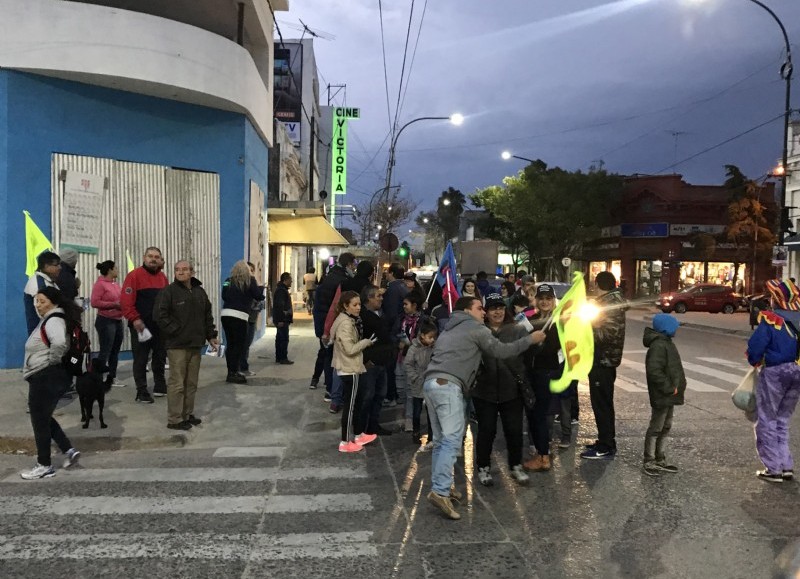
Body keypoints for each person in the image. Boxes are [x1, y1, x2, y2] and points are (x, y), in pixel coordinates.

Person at [423, 296, 545, 520]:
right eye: (479, 308)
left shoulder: (449, 329)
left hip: (431, 384)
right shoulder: (476, 329)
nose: (483, 312)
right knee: (451, 439)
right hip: (449, 386)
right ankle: (440, 491)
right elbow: (500, 351)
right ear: (467, 311)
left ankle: (445, 485)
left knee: (441, 440)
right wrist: (531, 340)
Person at [19, 287, 81, 479]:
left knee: (39, 422)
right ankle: (68, 450)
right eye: (36, 301)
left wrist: (51, 363)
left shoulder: (54, 320)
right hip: (46, 375)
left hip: (45, 376)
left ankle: (44, 465)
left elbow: (60, 343)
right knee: (43, 417)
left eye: (42, 301)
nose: (38, 305)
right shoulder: (49, 319)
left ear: (53, 302)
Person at [472, 294, 531, 486]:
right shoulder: (478, 331)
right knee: (486, 431)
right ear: (486, 312)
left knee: (514, 430)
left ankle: (516, 465)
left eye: (500, 307)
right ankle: (483, 467)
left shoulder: (518, 330)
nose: (497, 311)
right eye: (492, 308)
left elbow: (530, 355)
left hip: (511, 390)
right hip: (484, 392)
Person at [154, 260, 220, 430]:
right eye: (177, 270)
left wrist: (211, 336)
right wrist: (176, 330)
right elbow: (160, 316)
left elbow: (207, 316)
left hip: (195, 345)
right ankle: (175, 419)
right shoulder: (168, 292)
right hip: (177, 345)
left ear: (192, 272)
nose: (180, 272)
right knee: (177, 383)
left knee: (191, 383)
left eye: (184, 269)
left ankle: (187, 414)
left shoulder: (199, 292)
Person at [746, 279, 800, 483]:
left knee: (767, 419)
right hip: (797, 372)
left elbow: (756, 346)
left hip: (775, 372)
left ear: (777, 298)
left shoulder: (772, 319)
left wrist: (754, 360)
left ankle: (773, 468)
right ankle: (786, 465)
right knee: (782, 419)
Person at [581, 271, 627, 460]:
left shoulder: (609, 304)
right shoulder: (608, 302)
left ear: (598, 284)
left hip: (603, 360)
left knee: (602, 404)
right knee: (601, 403)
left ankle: (606, 445)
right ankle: (604, 441)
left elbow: (607, 335)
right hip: (601, 359)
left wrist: (585, 330)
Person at [329, 290, 378, 453]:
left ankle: (357, 435)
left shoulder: (346, 320)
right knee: (350, 406)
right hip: (349, 367)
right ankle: (345, 441)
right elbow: (350, 349)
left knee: (355, 403)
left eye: (359, 304)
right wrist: (366, 342)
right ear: (345, 306)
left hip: (350, 366)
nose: (358, 308)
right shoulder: (345, 323)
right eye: (354, 305)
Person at [121, 247, 170, 404]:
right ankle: (141, 391)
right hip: (140, 325)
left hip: (160, 326)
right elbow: (126, 301)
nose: (153, 259)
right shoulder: (134, 276)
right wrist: (135, 319)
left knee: (160, 356)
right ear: (144, 257)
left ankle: (159, 385)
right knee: (141, 358)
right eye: (150, 256)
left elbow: (168, 302)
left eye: (156, 256)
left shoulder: (163, 278)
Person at [523, 283, 561, 472]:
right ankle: (541, 452)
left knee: (541, 415)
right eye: (542, 299)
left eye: (548, 299)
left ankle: (544, 456)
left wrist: (541, 345)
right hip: (532, 373)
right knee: (533, 414)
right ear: (537, 301)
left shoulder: (559, 322)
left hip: (547, 373)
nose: (545, 302)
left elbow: (556, 348)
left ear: (554, 301)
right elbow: (524, 345)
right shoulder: (532, 320)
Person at [642, 313, 686, 476]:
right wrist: (669, 388)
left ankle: (660, 458)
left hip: (669, 395)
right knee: (656, 427)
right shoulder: (659, 345)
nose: (676, 330)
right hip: (662, 394)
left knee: (665, 426)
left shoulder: (666, 343)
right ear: (666, 328)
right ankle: (650, 460)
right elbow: (654, 371)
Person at [311, 253, 356, 394]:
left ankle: (318, 380)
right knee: (332, 356)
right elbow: (336, 305)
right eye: (353, 264)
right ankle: (331, 389)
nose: (354, 267)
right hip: (331, 323)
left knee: (325, 352)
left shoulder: (329, 276)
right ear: (348, 264)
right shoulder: (343, 280)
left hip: (322, 321)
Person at [359, 285, 395, 436]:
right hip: (370, 362)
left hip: (382, 360)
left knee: (380, 395)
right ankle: (361, 428)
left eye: (381, 296)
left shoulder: (381, 313)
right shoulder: (362, 317)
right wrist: (367, 360)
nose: (381, 298)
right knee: (367, 396)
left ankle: (373, 425)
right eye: (377, 296)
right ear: (369, 298)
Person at [221, 260, 265, 383]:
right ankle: (234, 372)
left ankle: (230, 371)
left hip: (226, 315)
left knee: (230, 345)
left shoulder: (227, 281)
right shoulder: (250, 280)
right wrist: (259, 287)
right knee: (239, 345)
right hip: (240, 316)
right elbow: (258, 296)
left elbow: (224, 295)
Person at [392, 292, 427, 430]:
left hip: (416, 358)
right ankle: (405, 412)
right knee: (400, 387)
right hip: (400, 357)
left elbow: (428, 338)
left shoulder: (424, 321)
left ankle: (409, 419)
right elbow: (393, 333)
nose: (404, 307)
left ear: (414, 305)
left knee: (410, 388)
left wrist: (411, 343)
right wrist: (397, 342)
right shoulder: (400, 318)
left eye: (406, 304)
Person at [91, 260, 126, 388]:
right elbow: (94, 302)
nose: (117, 270)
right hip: (105, 321)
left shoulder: (115, 284)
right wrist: (114, 304)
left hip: (117, 320)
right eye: (115, 267)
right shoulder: (100, 285)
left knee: (115, 351)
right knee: (106, 350)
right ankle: (98, 377)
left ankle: (112, 376)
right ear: (110, 270)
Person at [404, 320, 438, 447]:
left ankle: (432, 435)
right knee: (416, 411)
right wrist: (415, 377)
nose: (432, 340)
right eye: (430, 337)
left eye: (434, 337)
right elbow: (408, 364)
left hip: (431, 382)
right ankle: (415, 433)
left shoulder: (434, 348)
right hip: (418, 383)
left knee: (431, 412)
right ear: (422, 335)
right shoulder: (414, 348)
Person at [383, 263, 409, 404]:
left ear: (392, 273)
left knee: (391, 365)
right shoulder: (404, 287)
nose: (386, 275)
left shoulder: (393, 289)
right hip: (402, 329)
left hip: (395, 330)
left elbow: (391, 313)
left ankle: (391, 394)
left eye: (387, 272)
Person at [24, 251, 61, 335]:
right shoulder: (39, 285)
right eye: (56, 265)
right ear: (46, 266)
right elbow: (43, 312)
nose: (60, 267)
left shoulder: (50, 282)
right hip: (43, 334)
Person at [240, 262, 264, 377]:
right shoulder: (241, 284)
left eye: (250, 270)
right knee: (243, 344)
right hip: (243, 318)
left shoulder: (253, 284)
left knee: (247, 344)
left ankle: (241, 367)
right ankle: (242, 368)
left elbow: (260, 302)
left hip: (252, 318)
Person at [272, 272, 294, 365]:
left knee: (280, 338)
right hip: (283, 319)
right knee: (283, 338)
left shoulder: (281, 289)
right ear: (286, 280)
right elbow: (279, 306)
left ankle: (279, 357)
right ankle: (283, 357)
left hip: (282, 318)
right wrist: (281, 319)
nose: (291, 281)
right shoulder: (281, 291)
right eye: (290, 280)